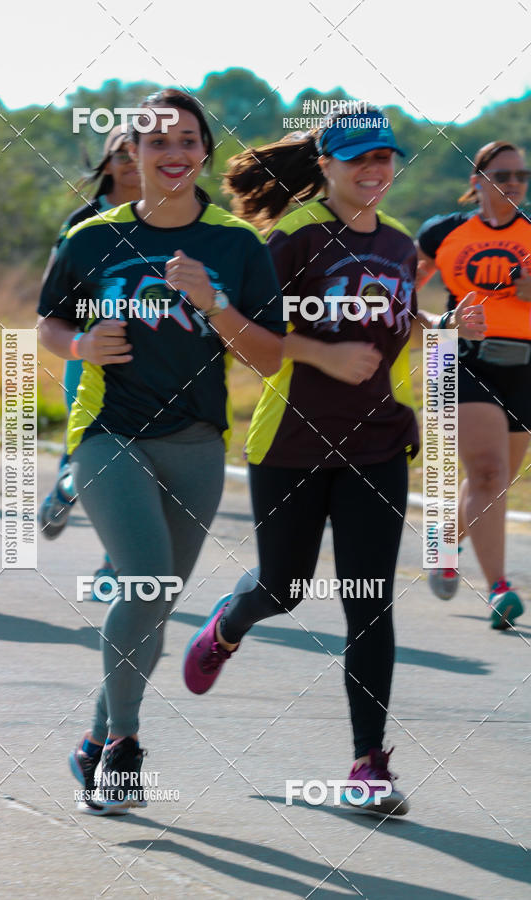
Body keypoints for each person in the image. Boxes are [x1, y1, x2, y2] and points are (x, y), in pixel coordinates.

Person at [183, 110, 485, 817]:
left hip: (376, 445)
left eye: (385, 158)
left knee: (369, 602)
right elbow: (250, 344)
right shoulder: (289, 242)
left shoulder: (400, 244)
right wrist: (321, 355)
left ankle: (368, 764)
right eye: (359, 160)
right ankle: (230, 622)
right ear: (325, 164)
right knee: (283, 589)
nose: (375, 172)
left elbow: (390, 326)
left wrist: (442, 328)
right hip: (290, 443)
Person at [37, 89, 285, 813]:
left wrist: (214, 304)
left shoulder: (237, 246)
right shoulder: (91, 239)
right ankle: (124, 746)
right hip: (107, 433)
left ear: (205, 151)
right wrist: (81, 344)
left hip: (198, 443)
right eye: (156, 141)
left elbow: (269, 357)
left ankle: (92, 741)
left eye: (187, 139)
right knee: (144, 583)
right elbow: (49, 328)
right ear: (131, 155)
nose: (173, 152)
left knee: (156, 604)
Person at [417, 140, 530, 629]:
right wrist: (444, 319)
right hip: (461, 358)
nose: (512, 184)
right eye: (501, 175)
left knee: (499, 478)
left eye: (520, 176)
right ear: (476, 180)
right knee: (487, 472)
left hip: (525, 365)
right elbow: (399, 296)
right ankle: (500, 589)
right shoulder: (442, 232)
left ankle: (445, 540)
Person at [39, 125, 142, 600]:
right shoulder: (85, 221)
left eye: (134, 153)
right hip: (92, 354)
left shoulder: (176, 218)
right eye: (118, 155)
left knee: (139, 463)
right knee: (93, 453)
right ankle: (67, 486)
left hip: (154, 358)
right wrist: (86, 335)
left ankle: (113, 564)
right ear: (106, 164)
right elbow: (53, 295)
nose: (129, 163)